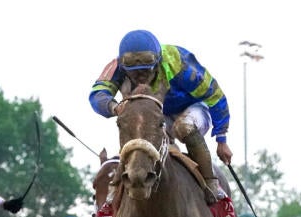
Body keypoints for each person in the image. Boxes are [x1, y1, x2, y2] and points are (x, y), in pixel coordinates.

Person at [89, 29, 233, 204]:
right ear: (124, 66)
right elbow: (97, 94)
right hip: (156, 115)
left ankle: (211, 184)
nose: (140, 76)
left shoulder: (178, 62)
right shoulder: (117, 66)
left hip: (192, 108)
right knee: (135, 124)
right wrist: (114, 107)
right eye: (133, 72)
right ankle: (114, 191)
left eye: (145, 70)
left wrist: (221, 139)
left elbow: (215, 95)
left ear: (157, 61)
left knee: (183, 127)